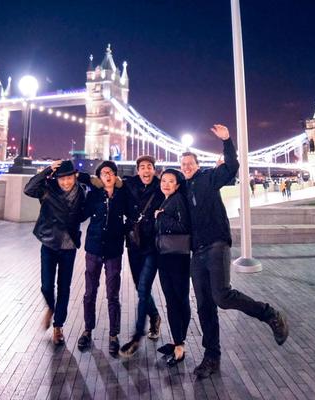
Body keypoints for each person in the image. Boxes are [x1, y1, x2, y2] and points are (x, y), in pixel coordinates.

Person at [180, 124, 289, 379]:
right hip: (197, 252)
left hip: (216, 244)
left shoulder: (209, 178)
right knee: (205, 307)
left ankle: (269, 314)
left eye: (190, 163)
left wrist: (227, 140)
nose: (186, 167)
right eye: (183, 164)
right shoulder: (182, 188)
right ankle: (211, 357)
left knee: (222, 296)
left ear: (197, 165)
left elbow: (232, 167)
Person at [24, 160, 86, 345]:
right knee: (46, 286)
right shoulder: (48, 189)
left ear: (75, 176)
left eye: (69, 178)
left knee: (64, 288)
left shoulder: (82, 192)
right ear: (56, 179)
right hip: (49, 243)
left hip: (69, 246)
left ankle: (58, 326)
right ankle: (51, 307)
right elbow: (28, 189)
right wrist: (48, 170)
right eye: (62, 179)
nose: (65, 182)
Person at [77, 161, 126, 356]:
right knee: (90, 293)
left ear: (115, 176)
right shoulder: (94, 195)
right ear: (99, 177)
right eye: (104, 173)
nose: (108, 175)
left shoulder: (122, 195)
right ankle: (87, 330)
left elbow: (133, 213)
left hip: (114, 250)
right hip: (94, 249)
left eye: (111, 172)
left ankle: (114, 335)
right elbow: (81, 215)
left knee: (113, 295)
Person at [119, 155, 165, 357]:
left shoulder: (161, 187)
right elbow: (106, 184)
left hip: (152, 246)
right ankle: (154, 316)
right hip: (134, 243)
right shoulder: (128, 186)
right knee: (141, 288)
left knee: (143, 288)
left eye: (149, 167)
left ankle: (137, 335)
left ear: (154, 170)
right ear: (137, 170)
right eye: (142, 167)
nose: (146, 170)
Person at [154, 169, 191, 366]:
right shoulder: (166, 200)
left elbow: (184, 226)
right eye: (163, 181)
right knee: (172, 300)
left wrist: (160, 217)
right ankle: (178, 340)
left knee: (178, 300)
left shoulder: (178, 200)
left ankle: (179, 345)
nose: (166, 184)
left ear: (177, 185)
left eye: (170, 181)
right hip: (166, 257)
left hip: (177, 258)